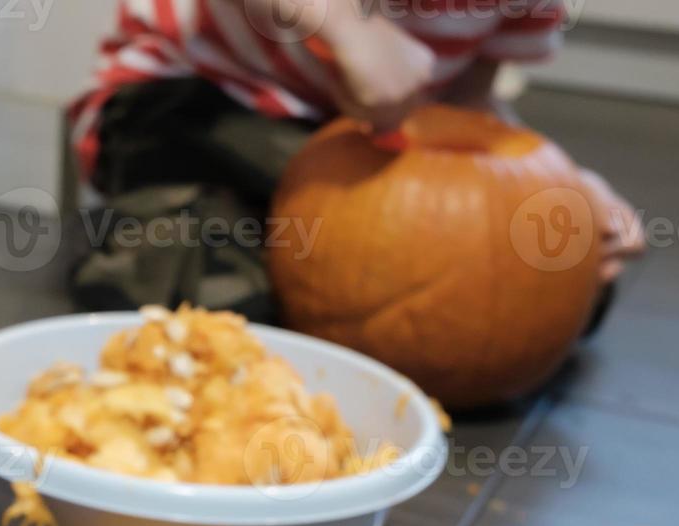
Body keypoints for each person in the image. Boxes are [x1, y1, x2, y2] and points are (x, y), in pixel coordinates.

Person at [68, 0, 645, 319]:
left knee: (555, 285)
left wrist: (553, 179)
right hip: (194, 100)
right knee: (205, 296)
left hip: (347, 140)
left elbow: (469, 103)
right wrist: (346, 23)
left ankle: (278, 253)